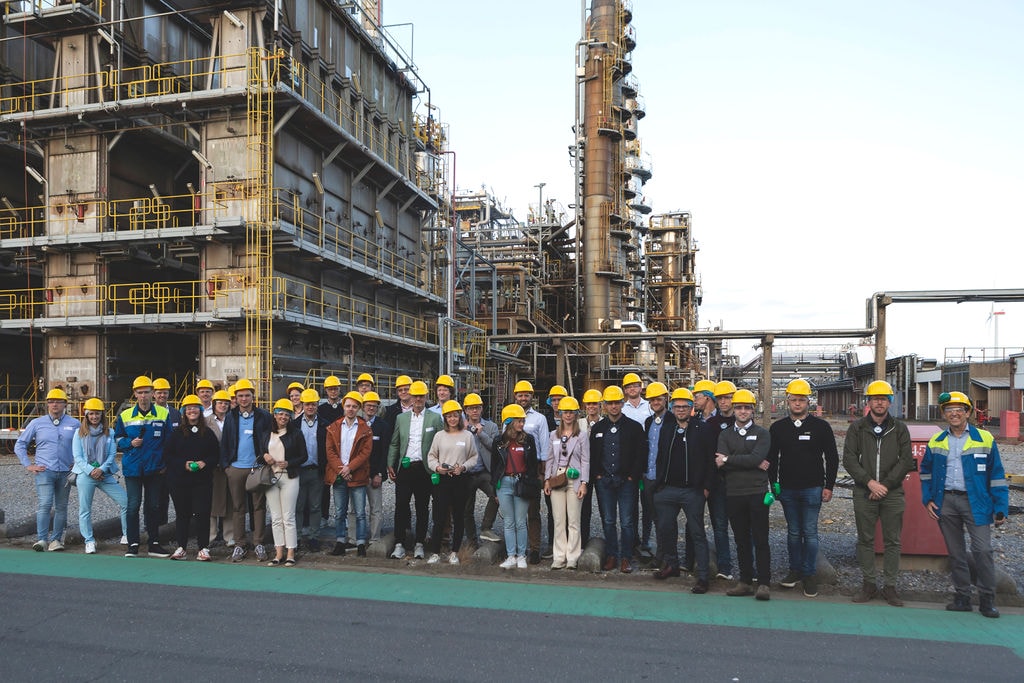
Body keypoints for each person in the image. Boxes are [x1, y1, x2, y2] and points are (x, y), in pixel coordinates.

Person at [921, 391, 1009, 618]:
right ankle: (962, 597)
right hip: (946, 501)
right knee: (956, 552)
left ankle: (987, 599)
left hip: (976, 502)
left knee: (983, 550)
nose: (954, 414)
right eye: (949, 410)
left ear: (968, 413)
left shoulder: (985, 438)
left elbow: (997, 475)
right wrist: (927, 499)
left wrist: (1001, 506)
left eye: (959, 409)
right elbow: (926, 472)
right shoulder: (936, 440)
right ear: (944, 414)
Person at [843, 380, 914, 606]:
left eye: (883, 399)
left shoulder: (899, 428)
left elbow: (906, 460)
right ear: (868, 402)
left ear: (890, 402)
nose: (879, 403)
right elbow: (849, 459)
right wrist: (870, 483)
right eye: (875, 399)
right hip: (864, 492)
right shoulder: (857, 428)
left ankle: (890, 587)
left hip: (892, 493)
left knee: (893, 541)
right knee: (865, 540)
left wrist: (885, 486)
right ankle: (869, 584)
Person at [768, 379, 839, 598]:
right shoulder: (778, 428)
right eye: (794, 400)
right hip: (787, 489)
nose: (797, 403)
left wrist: (828, 486)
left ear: (808, 401)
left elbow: (832, 458)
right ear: (787, 401)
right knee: (793, 532)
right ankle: (795, 570)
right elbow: (772, 459)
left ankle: (809, 575)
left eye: (801, 400)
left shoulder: (821, 427)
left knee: (809, 532)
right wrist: (774, 485)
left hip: (813, 489)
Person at [653, 388, 713, 593]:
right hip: (668, 489)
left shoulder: (702, 429)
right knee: (665, 528)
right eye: (677, 407)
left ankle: (703, 576)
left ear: (691, 408)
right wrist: (659, 485)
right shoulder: (667, 429)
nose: (680, 410)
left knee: (697, 533)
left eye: (684, 407)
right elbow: (661, 456)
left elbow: (710, 460)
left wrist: (706, 487)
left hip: (692, 491)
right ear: (672, 408)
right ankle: (672, 564)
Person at [715, 389, 773, 600]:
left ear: (752, 410)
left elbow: (754, 457)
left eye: (747, 408)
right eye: (739, 407)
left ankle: (764, 583)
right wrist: (751, 461)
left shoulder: (763, 433)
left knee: (761, 539)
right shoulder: (724, 435)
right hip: (734, 493)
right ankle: (745, 581)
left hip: (757, 492)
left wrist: (729, 459)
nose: (742, 411)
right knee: (741, 540)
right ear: (734, 409)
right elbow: (721, 465)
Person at [590, 385, 646, 573]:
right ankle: (612, 555)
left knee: (627, 522)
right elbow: (593, 453)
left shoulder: (634, 427)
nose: (613, 406)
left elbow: (640, 454)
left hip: (626, 482)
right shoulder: (598, 428)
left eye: (617, 403)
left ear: (622, 403)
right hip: (605, 481)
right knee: (608, 520)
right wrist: (597, 475)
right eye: (610, 403)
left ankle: (626, 557)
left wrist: (632, 477)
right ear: (604, 405)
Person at [16, 388, 80, 552]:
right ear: (47, 404)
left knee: (61, 507)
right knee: (45, 504)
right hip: (44, 471)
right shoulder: (37, 423)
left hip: (65, 472)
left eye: (58, 401)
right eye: (51, 402)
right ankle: (42, 540)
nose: (54, 405)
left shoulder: (75, 424)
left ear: (65, 404)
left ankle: (56, 540)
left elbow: (84, 445)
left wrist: (77, 462)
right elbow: (20, 444)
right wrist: (28, 465)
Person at [114, 376, 171, 558]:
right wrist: (130, 443)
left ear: (152, 393)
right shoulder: (125, 415)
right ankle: (133, 544)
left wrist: (165, 464)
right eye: (140, 392)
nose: (144, 396)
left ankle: (154, 544)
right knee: (133, 506)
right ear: (135, 394)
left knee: (153, 506)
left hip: (155, 469)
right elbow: (117, 439)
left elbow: (169, 441)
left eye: (147, 392)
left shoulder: (163, 414)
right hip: (133, 468)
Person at [220, 378, 273, 563]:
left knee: (258, 506)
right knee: (238, 507)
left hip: (256, 468)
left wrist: (265, 461)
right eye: (240, 396)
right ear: (236, 397)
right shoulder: (231, 416)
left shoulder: (263, 416)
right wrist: (227, 466)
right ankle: (240, 544)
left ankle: (258, 542)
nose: (244, 399)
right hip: (236, 468)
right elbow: (225, 442)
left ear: (253, 396)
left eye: (247, 395)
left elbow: (269, 439)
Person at [388, 381, 443, 559]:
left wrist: (438, 466)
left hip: (424, 469)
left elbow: (441, 443)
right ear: (410, 397)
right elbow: (395, 443)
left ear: (426, 397)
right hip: (405, 468)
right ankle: (399, 543)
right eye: (415, 396)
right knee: (401, 505)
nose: (418, 399)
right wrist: (391, 463)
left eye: (421, 396)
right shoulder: (401, 418)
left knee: (422, 507)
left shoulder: (435, 418)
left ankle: (419, 543)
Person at [163, 394, 220, 561]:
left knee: (203, 514)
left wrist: (204, 463)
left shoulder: (208, 433)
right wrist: (184, 464)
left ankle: (203, 548)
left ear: (200, 411)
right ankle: (181, 548)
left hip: (202, 481)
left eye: (195, 408)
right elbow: (168, 456)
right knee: (182, 514)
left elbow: (215, 455)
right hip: (180, 481)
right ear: (184, 412)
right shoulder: (176, 433)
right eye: (188, 408)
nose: (192, 411)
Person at [72, 397, 128, 554]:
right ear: (86, 415)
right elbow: (77, 457)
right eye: (91, 414)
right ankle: (89, 541)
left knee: (126, 502)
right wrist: (91, 471)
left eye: (97, 413)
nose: (94, 417)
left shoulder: (110, 432)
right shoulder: (79, 433)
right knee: (85, 509)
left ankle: (126, 534)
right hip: (86, 475)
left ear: (102, 415)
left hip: (104, 474)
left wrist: (101, 470)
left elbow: (112, 455)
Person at [426, 400, 479, 564]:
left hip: (460, 480)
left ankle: (454, 552)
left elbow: (474, 457)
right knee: (439, 517)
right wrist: (437, 468)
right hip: (443, 480)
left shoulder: (467, 436)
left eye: (455, 416)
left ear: (460, 417)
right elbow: (431, 456)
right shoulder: (439, 436)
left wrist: (463, 467)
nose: (452, 419)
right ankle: (435, 552)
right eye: (449, 416)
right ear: (445, 418)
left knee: (459, 516)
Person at [695, 379, 737, 580]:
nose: (724, 402)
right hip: (716, 481)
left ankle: (750, 570)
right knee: (720, 526)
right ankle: (725, 567)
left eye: (728, 398)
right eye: (720, 398)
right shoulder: (710, 424)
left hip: (738, 482)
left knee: (743, 527)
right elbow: (705, 454)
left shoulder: (743, 421)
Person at [545, 396, 589, 570]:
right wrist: (547, 480)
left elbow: (586, 460)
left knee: (574, 520)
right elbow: (549, 459)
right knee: (558, 520)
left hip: (575, 479)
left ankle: (572, 556)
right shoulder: (553, 435)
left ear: (576, 414)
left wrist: (584, 482)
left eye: (571, 412)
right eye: (565, 412)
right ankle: (559, 556)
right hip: (557, 479)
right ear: (561, 414)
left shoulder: (582, 436)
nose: (568, 415)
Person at [491, 404, 538, 569]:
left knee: (520, 521)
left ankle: (521, 555)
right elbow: (494, 466)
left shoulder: (529, 440)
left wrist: (530, 482)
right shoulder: (498, 441)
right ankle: (511, 555)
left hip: (521, 483)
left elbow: (533, 465)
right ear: (510, 421)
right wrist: (494, 489)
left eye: (523, 420)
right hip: (503, 483)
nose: (522, 423)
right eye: (519, 420)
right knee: (509, 522)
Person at [326, 391, 372, 557]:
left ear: (358, 408)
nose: (350, 409)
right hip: (340, 475)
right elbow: (330, 451)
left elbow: (365, 453)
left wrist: (350, 468)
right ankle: (340, 542)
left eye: (354, 406)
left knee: (360, 513)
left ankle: (360, 543)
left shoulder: (365, 429)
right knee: (340, 512)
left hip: (357, 475)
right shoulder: (334, 427)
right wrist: (342, 469)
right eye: (348, 406)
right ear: (343, 407)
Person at [263, 398, 307, 566]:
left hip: (289, 477)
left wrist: (289, 463)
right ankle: (278, 552)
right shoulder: (266, 433)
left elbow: (304, 456)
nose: (283, 417)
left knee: (288, 516)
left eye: (286, 415)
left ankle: (290, 552)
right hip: (271, 478)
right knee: (275, 517)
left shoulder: (296, 434)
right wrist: (264, 456)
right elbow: (260, 452)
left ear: (290, 417)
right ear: (274, 415)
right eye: (280, 414)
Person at [513, 380, 550, 565]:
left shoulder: (539, 419)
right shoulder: (510, 414)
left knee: (533, 511)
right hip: (513, 468)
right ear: (515, 396)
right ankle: (518, 548)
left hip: (532, 469)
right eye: (520, 395)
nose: (523, 398)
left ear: (531, 397)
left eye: (526, 395)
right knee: (516, 512)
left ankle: (534, 549)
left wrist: (542, 472)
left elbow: (544, 445)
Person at [462, 393, 500, 544]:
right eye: (471, 408)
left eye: (477, 408)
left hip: (484, 471)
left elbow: (496, 448)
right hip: (467, 473)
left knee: (497, 495)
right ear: (466, 410)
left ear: (481, 409)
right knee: (467, 509)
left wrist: (481, 433)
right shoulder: (460, 427)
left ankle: (486, 528)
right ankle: (472, 541)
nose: (474, 411)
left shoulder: (491, 426)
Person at [639, 381, 669, 557]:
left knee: (663, 518)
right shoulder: (648, 421)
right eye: (652, 400)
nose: (655, 402)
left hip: (664, 477)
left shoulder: (672, 420)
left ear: (665, 399)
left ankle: (664, 554)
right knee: (648, 512)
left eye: (659, 399)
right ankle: (648, 545)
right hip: (648, 476)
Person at [294, 388, 326, 551]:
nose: (310, 407)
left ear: (317, 405)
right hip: (299, 471)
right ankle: (297, 537)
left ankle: (314, 537)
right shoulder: (294, 424)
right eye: (307, 404)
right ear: (303, 405)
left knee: (315, 506)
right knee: (298, 506)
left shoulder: (324, 424)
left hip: (316, 471)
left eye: (313, 404)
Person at [361, 390, 392, 544]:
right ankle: (355, 539)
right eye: (368, 405)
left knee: (376, 509)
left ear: (378, 408)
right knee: (355, 509)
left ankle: (374, 538)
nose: (371, 408)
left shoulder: (383, 426)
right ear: (363, 407)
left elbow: (385, 451)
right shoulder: (357, 424)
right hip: (358, 474)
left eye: (374, 406)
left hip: (374, 475)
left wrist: (379, 473)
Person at [206, 389, 235, 548]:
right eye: (220, 403)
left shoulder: (234, 420)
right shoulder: (206, 421)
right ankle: (210, 536)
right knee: (212, 502)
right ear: (214, 404)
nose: (223, 405)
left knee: (230, 502)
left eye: (225, 403)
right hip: (213, 467)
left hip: (229, 466)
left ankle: (229, 536)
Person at [318, 375, 345, 529]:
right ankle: (323, 516)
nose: (333, 391)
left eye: (335, 389)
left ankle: (342, 518)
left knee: (343, 487)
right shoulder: (321, 409)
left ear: (339, 389)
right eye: (330, 389)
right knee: (324, 487)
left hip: (343, 451)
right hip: (326, 452)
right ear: (326, 390)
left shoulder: (344, 407)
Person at [152, 378, 179, 528]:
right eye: (159, 392)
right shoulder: (149, 413)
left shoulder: (175, 414)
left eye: (165, 392)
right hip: (156, 464)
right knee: (155, 498)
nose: (162, 395)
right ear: (154, 394)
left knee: (176, 497)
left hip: (173, 464)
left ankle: (169, 529)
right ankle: (154, 528)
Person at [580, 387, 604, 545]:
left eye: (595, 403)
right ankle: (582, 541)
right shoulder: (579, 424)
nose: (591, 407)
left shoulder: (606, 424)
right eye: (589, 404)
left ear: (600, 405)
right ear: (585, 406)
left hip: (601, 471)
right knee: (584, 508)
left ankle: (610, 544)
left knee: (605, 509)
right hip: (584, 472)